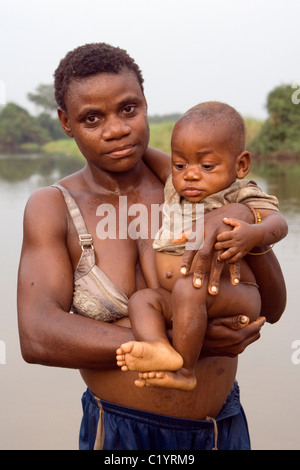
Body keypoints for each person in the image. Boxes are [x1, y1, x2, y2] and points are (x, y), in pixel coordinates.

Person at [17, 43, 287, 451]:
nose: (116, 129)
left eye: (128, 109)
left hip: (223, 429)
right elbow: (37, 335)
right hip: (123, 435)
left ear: (145, 102)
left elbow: (273, 308)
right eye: (92, 118)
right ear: (66, 123)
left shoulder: (197, 185)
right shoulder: (53, 207)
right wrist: (180, 346)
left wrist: (241, 216)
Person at [116, 102, 288, 391]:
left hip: (233, 293)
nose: (191, 175)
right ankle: (159, 346)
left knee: (187, 288)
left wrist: (253, 233)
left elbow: (278, 223)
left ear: (241, 164)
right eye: (181, 165)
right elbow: (147, 152)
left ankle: (185, 372)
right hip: (184, 299)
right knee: (143, 300)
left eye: (207, 166)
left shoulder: (239, 194)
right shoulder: (175, 186)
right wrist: (127, 136)